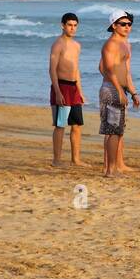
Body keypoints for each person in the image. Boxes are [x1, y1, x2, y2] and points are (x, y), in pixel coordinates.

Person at [97, 9, 140, 177]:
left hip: (120, 89)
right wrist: (117, 89)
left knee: (116, 131)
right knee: (113, 131)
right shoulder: (111, 44)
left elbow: (127, 72)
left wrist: (133, 93)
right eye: (123, 24)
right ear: (114, 26)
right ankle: (111, 170)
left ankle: (111, 168)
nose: (127, 27)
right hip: (111, 90)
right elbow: (106, 69)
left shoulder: (126, 44)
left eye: (129, 24)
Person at [49, 12, 87, 167]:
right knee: (60, 125)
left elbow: (76, 69)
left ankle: (75, 159)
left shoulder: (77, 45)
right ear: (63, 26)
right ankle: (57, 160)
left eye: (75, 25)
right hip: (62, 87)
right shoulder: (58, 44)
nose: (73, 28)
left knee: (77, 125)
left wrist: (81, 91)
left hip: (74, 88)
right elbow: (52, 70)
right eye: (70, 25)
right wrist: (57, 92)